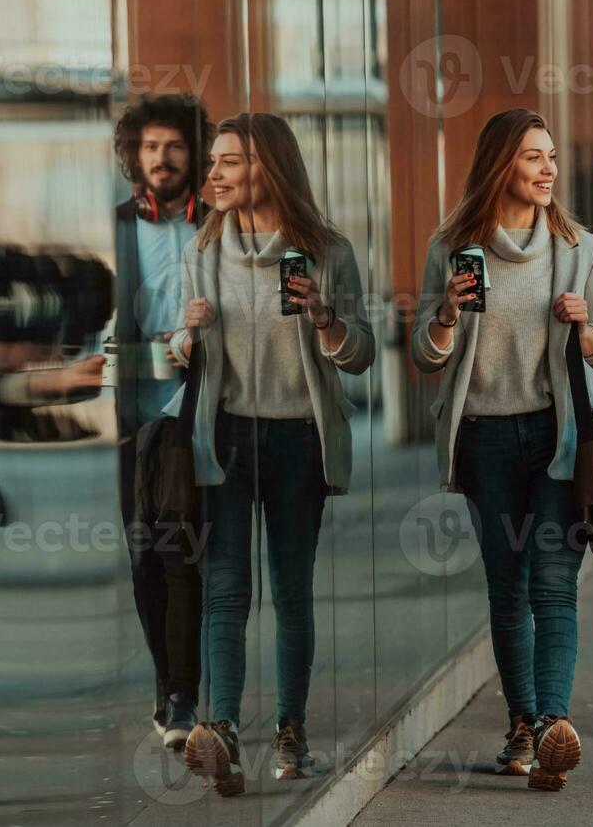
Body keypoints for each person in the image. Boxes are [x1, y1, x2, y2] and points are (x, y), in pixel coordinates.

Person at [411, 108, 593, 792]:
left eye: (552, 156)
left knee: (554, 585)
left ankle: (556, 726)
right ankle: (523, 724)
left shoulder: (578, 248)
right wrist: (445, 312)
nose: (549, 169)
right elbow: (424, 353)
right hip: (485, 439)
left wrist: (585, 327)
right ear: (502, 164)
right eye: (534, 157)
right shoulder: (453, 247)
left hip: (558, 436)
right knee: (508, 590)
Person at [171, 113, 375, 794]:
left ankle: (291, 729)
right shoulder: (203, 252)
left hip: (297, 440)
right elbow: (178, 353)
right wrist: (183, 337)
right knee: (226, 590)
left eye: (230, 162)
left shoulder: (326, 250)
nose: (215, 175)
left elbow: (362, 354)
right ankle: (223, 730)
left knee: (291, 592)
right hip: (226, 436)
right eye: (216, 163)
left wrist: (324, 315)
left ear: (269, 169)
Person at [111, 94, 213, 750]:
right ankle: (164, 677)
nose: (162, 158)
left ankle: (184, 696)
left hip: (191, 412)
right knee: (143, 556)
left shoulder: (219, 224)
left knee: (183, 556)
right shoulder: (117, 224)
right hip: (129, 414)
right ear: (134, 156)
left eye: (174, 146)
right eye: (150, 147)